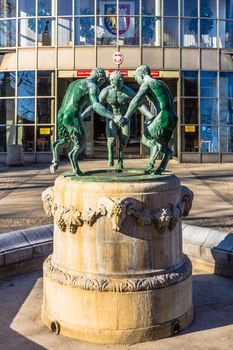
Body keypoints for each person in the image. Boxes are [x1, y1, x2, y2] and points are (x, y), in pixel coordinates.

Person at [82, 70, 153, 171]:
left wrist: (150, 116)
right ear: (110, 82)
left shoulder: (128, 92)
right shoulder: (106, 91)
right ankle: (110, 154)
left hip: (124, 118)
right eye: (114, 85)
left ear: (122, 82)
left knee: (123, 140)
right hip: (111, 117)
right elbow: (95, 106)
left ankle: (120, 159)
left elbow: (139, 104)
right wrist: (83, 115)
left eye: (118, 86)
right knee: (111, 140)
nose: (116, 88)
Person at [50, 68, 115, 176]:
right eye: (103, 81)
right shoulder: (92, 86)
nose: (101, 84)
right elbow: (95, 105)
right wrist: (112, 116)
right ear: (100, 78)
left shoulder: (75, 82)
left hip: (61, 114)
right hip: (73, 115)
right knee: (81, 144)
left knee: (64, 141)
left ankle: (55, 160)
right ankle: (75, 169)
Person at [122, 65, 178, 175]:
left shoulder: (146, 83)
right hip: (172, 117)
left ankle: (152, 160)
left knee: (145, 138)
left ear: (141, 75)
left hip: (163, 116)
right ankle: (157, 168)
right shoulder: (161, 84)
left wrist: (126, 117)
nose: (137, 81)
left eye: (136, 78)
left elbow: (135, 101)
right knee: (163, 147)